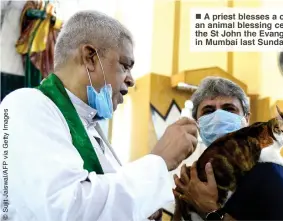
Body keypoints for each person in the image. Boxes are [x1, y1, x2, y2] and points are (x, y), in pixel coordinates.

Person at [0, 10, 198, 221]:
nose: (131, 80)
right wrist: (158, 161)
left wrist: (139, 210)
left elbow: (104, 202)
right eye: (125, 65)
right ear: (90, 57)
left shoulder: (90, 126)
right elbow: (66, 211)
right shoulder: (26, 106)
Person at [173, 77, 283, 220]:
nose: (218, 117)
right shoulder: (195, 178)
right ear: (198, 123)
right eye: (208, 111)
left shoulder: (270, 172)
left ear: (246, 119)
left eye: (229, 109)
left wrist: (210, 210)